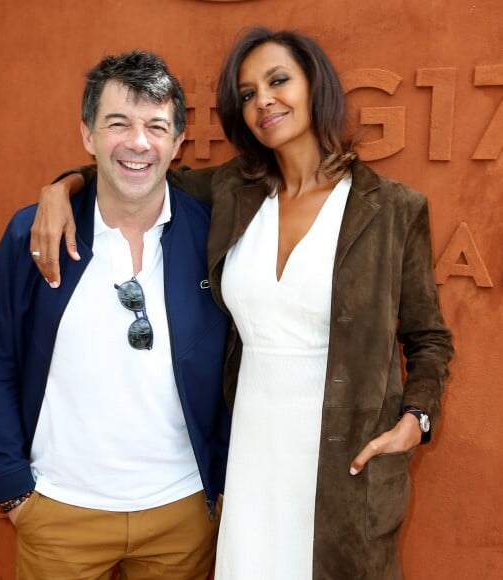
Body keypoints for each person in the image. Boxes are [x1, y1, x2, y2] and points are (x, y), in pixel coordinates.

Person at [30, 28, 454, 580]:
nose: (263, 101)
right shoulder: (235, 190)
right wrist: (62, 187)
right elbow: (140, 173)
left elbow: (428, 337)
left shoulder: (393, 209)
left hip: (346, 462)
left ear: (315, 85)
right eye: (248, 94)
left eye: (278, 81)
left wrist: (416, 420)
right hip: (252, 452)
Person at [0, 50, 230, 580]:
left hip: (181, 513)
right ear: (88, 135)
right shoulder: (33, 236)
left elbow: (238, 362)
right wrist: (13, 487)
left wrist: (218, 485)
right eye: (118, 124)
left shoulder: (211, 236)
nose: (138, 142)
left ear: (177, 143)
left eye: (156, 126)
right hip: (59, 512)